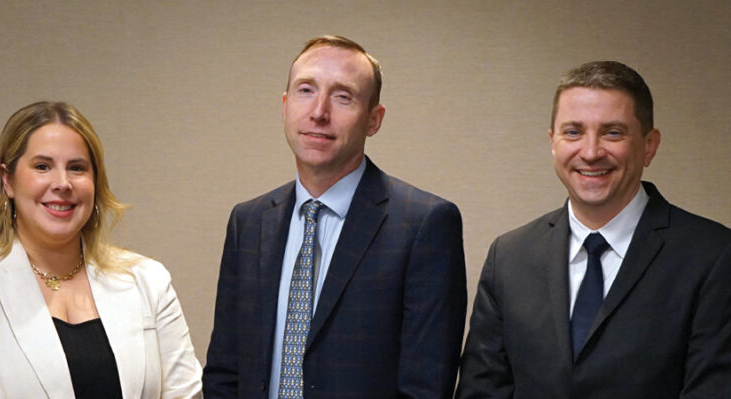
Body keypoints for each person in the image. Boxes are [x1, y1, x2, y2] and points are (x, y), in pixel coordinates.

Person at [203, 35, 467, 398]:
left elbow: (425, 388)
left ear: (374, 120)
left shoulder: (425, 225)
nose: (319, 112)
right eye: (306, 90)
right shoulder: (249, 223)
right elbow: (224, 372)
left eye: (343, 97)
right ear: (284, 105)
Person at [455, 61, 731, 398]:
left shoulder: (713, 256)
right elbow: (481, 391)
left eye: (613, 132)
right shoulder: (509, 257)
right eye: (573, 132)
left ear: (649, 145)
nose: (590, 152)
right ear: (552, 142)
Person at [0, 101, 203, 398]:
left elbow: (185, 393)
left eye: (77, 168)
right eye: (43, 166)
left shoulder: (148, 280)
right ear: (7, 181)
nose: (63, 183)